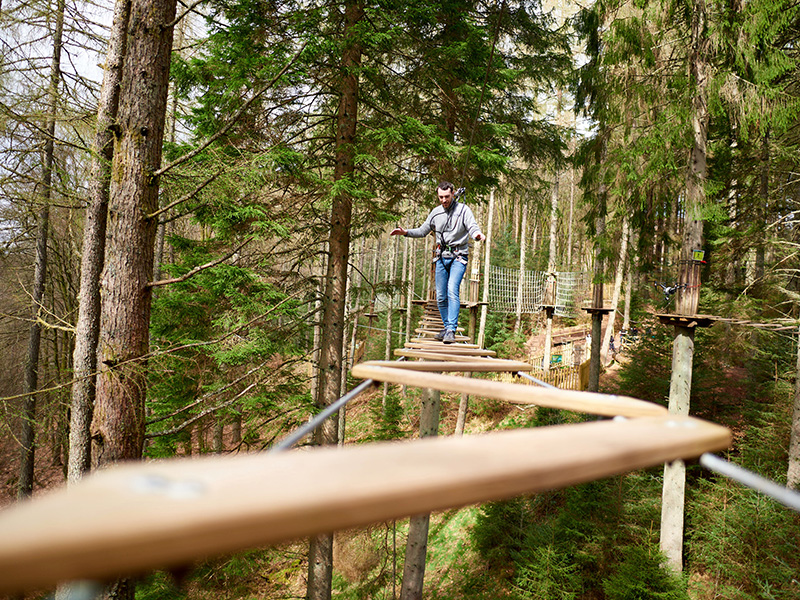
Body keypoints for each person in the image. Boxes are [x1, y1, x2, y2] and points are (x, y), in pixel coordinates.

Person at [390, 181, 485, 344]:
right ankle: (447, 327)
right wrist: (405, 232)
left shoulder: (463, 210)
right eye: (440, 197)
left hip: (459, 256)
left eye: (447, 196)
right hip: (441, 257)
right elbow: (422, 231)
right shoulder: (436, 213)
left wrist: (477, 235)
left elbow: (472, 226)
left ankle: (451, 330)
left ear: (453, 194)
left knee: (452, 289)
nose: (444, 200)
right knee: (440, 296)